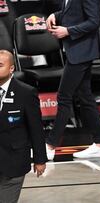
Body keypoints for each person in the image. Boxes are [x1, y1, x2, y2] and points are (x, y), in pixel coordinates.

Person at [45, 0, 100, 160]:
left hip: (82, 52)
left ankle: (50, 145)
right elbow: (72, 13)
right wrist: (55, 15)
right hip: (78, 51)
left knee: (63, 97)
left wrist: (67, 31)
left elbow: (94, 21)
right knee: (85, 97)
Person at [0, 50, 47, 203]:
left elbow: (36, 128)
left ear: (11, 68)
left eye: (0, 65)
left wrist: (40, 159)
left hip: (14, 160)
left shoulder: (25, 92)